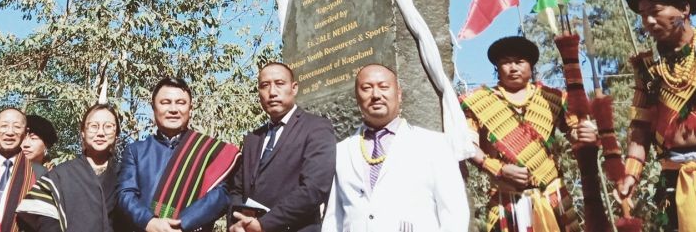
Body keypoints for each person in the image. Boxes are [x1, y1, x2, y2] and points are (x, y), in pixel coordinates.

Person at [460, 36, 596, 231]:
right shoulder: (479, 103)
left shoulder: (553, 98)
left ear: (530, 65)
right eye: (506, 62)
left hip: (553, 199)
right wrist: (499, 169)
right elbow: (468, 145)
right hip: (506, 201)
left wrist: (585, 134)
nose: (513, 67)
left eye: (519, 61)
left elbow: (576, 135)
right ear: (497, 67)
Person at [323, 64, 468, 231]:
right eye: (366, 88)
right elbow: (333, 219)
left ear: (399, 94)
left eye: (384, 87)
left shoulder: (434, 145)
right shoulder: (341, 151)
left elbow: (455, 214)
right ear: (357, 97)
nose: (376, 95)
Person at [617, 0, 696, 230]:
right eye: (643, 15)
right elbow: (639, 129)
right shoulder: (647, 68)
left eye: (655, 12)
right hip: (673, 179)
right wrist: (631, 174)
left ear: (684, 9)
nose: (648, 22)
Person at [116, 77, 239, 232]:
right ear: (153, 107)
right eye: (165, 102)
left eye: (181, 103)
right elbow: (125, 194)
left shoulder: (209, 151)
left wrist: (179, 225)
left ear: (190, 108)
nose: (173, 109)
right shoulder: (136, 151)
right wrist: (150, 222)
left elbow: (220, 196)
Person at [228, 62, 335, 232]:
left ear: (294, 88)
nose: (272, 92)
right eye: (265, 86)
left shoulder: (316, 128)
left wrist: (264, 224)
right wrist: (236, 223)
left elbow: (314, 188)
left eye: (279, 83)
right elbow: (237, 190)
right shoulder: (252, 138)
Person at [16, 103, 120, 232]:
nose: (100, 133)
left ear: (116, 134)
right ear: (82, 132)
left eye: (108, 127)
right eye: (93, 126)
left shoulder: (126, 174)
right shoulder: (60, 175)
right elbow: (43, 218)